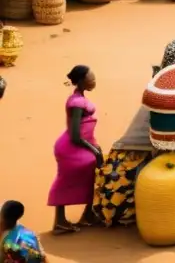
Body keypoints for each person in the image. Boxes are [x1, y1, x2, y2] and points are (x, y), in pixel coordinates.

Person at [49, 65, 102, 235]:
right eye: (90, 78)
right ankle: (60, 221)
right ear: (81, 81)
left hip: (81, 146)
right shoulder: (76, 103)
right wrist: (94, 150)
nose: (93, 81)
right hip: (72, 148)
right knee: (67, 181)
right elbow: (75, 136)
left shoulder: (79, 97)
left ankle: (87, 214)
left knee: (94, 174)